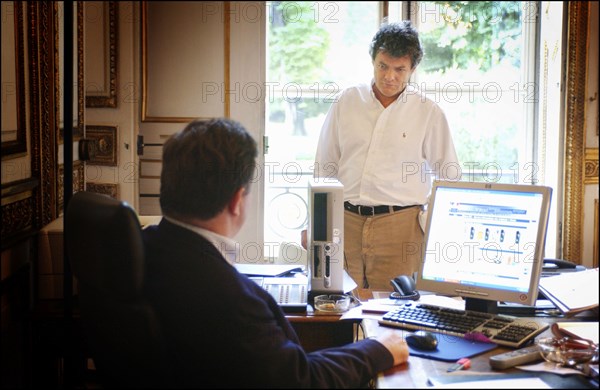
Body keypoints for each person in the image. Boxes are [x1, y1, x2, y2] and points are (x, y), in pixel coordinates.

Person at [142, 118, 409, 388]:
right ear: (237, 201)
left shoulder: (139, 251)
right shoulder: (234, 300)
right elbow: (302, 381)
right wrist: (377, 349)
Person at [313, 21, 461, 291]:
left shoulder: (428, 112)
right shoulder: (346, 102)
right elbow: (324, 167)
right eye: (383, 66)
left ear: (412, 69)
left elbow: (450, 176)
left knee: (396, 314)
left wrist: (429, 225)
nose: (389, 76)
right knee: (339, 305)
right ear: (373, 61)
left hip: (401, 226)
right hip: (344, 222)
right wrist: (314, 224)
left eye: (399, 69)